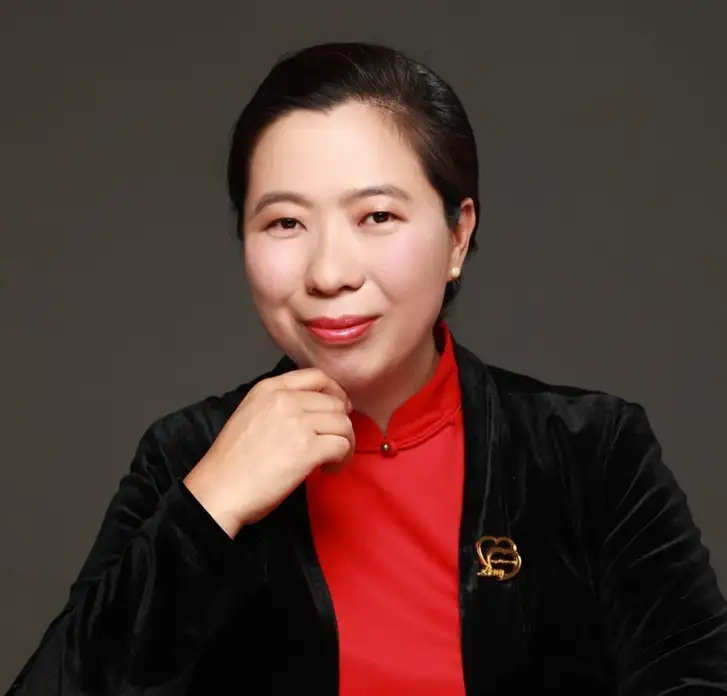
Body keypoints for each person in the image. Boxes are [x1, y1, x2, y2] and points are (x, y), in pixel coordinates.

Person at [6, 41, 727, 696]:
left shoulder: (590, 452)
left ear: (457, 234)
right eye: (285, 222)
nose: (328, 272)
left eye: (376, 216)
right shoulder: (186, 456)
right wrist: (210, 507)